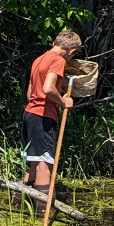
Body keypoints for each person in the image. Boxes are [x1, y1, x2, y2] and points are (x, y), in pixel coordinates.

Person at [19, 30, 81, 209]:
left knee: (34, 164)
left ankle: (19, 204)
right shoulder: (58, 60)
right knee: (45, 165)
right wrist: (63, 102)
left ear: (55, 43)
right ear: (72, 51)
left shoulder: (39, 59)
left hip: (29, 114)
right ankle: (42, 210)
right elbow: (48, 88)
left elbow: (31, 92)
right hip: (42, 117)